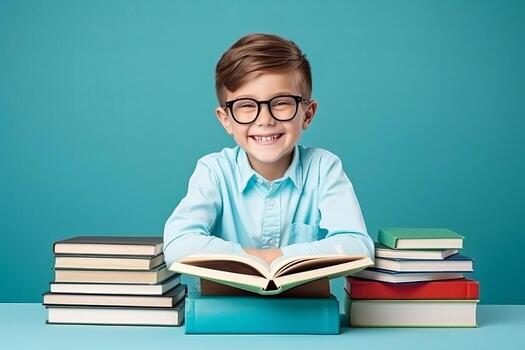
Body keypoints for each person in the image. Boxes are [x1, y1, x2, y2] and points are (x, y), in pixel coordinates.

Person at [163, 33, 374, 266]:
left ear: (308, 114)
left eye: (281, 102)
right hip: (223, 303)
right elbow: (177, 244)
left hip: (303, 304)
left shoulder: (324, 168)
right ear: (226, 120)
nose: (264, 119)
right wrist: (256, 258)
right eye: (245, 105)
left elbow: (358, 246)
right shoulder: (214, 171)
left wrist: (277, 257)